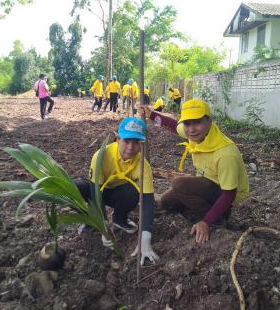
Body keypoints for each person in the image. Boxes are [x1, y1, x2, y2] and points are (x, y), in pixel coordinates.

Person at [139, 99, 249, 244]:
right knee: (167, 202)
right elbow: (173, 126)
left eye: (197, 122)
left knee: (179, 184)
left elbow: (229, 194)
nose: (191, 129)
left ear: (209, 121)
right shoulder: (197, 134)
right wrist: (151, 115)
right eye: (187, 123)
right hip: (208, 183)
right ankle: (202, 210)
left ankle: (217, 218)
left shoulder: (225, 154)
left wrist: (206, 221)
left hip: (225, 193)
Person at [75, 117, 159, 264]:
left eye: (136, 142)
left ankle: (119, 219)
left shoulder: (143, 166)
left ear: (142, 143)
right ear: (117, 139)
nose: (131, 147)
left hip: (116, 193)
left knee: (131, 192)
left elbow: (147, 202)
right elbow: (96, 193)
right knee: (77, 189)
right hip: (97, 189)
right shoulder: (101, 156)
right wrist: (103, 226)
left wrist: (145, 238)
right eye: (126, 141)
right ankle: (90, 221)